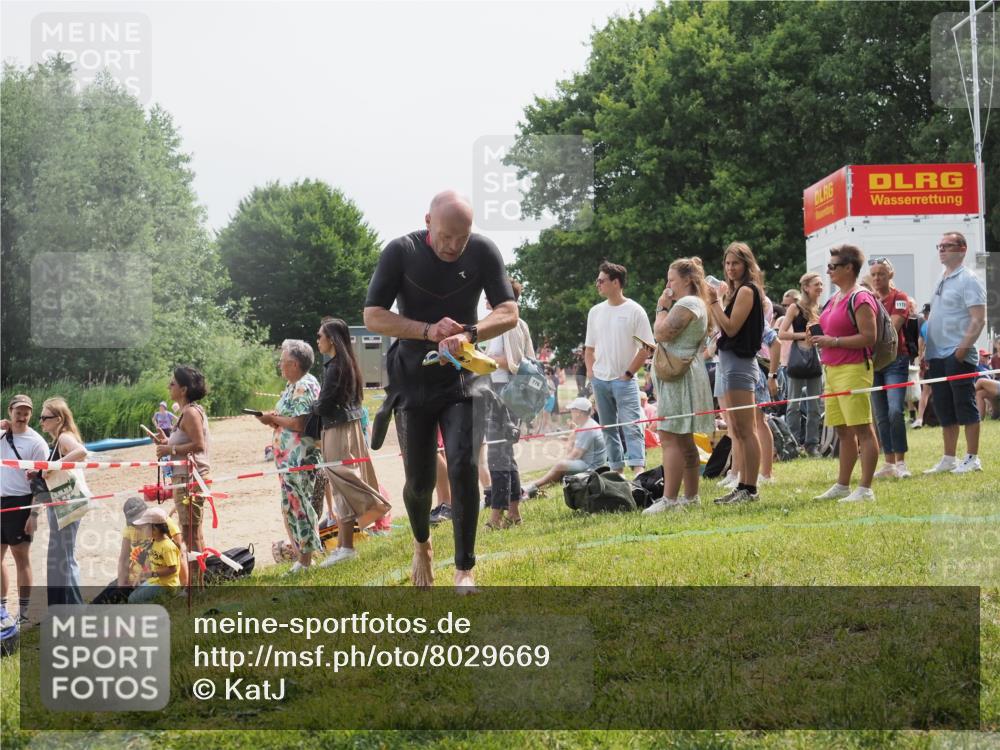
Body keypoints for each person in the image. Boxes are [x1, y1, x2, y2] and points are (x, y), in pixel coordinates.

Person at [363, 191, 518, 591]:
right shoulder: (400, 251)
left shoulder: (483, 251)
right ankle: (422, 544)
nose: (453, 247)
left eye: (461, 239)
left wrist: (468, 333)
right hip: (412, 376)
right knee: (419, 482)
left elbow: (508, 311)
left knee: (465, 464)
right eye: (446, 236)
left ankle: (465, 569)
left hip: (462, 374)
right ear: (428, 221)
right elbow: (373, 315)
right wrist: (428, 331)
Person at [312, 318, 391, 568]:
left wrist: (310, 407)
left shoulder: (335, 367)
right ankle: (346, 546)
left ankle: (375, 508)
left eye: (320, 336)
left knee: (342, 481)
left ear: (332, 339)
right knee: (340, 485)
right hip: (346, 426)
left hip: (338, 428)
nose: (317, 340)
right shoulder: (344, 364)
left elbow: (324, 404)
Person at [643, 258, 715, 513]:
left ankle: (670, 500)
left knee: (670, 436)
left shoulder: (688, 303)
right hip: (681, 375)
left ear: (687, 280)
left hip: (679, 378)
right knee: (683, 440)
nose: (668, 284)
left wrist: (661, 308)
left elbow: (661, 333)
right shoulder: (695, 303)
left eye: (672, 279)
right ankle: (691, 497)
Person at [810, 244, 880, 502]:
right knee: (841, 430)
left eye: (832, 267)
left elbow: (869, 337)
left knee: (862, 428)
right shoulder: (835, 297)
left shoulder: (860, 298)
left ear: (849, 268)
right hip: (832, 369)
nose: (828, 271)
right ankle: (842, 485)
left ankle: (865, 488)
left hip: (853, 369)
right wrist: (818, 335)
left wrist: (834, 341)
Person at [255, 340, 324, 574]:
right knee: (291, 506)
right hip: (288, 460)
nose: (279, 365)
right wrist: (273, 420)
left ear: (294, 363)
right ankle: (302, 558)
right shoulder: (292, 385)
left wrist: (272, 419)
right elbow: (288, 420)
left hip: (299, 459)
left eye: (282, 361)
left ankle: (306, 560)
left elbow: (299, 422)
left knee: (300, 505)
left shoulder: (304, 384)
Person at [922, 232, 988, 475]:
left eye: (947, 246)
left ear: (962, 249)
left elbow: (979, 319)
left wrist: (962, 349)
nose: (941, 250)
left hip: (956, 353)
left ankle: (972, 458)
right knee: (943, 407)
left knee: (964, 404)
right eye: (939, 246)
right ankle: (949, 458)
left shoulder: (968, 279)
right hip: (937, 354)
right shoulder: (943, 276)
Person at [707, 242, 765, 504]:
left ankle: (750, 488)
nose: (730, 268)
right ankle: (742, 484)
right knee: (738, 431)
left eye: (736, 263)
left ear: (746, 264)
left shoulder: (746, 291)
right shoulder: (735, 292)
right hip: (730, 363)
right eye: (727, 263)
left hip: (741, 364)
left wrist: (714, 302)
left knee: (746, 429)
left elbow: (730, 328)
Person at [584, 261, 655, 474]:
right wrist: (591, 374)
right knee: (608, 429)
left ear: (616, 283)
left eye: (601, 280)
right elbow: (589, 348)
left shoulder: (635, 310)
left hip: (625, 380)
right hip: (600, 380)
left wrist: (627, 374)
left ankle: (638, 472)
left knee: (631, 425)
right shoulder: (595, 312)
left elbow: (647, 347)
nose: (597, 284)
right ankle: (616, 471)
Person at [483, 280, 534, 529]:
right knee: (505, 455)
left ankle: (496, 515)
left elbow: (512, 363)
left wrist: (480, 359)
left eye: (488, 296)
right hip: (502, 393)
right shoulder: (508, 324)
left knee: (497, 455)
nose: (484, 301)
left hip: (507, 394)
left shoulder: (509, 325)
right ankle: (514, 512)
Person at [153, 366, 210, 587]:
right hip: (187, 477)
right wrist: (166, 442)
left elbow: (198, 445)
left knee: (190, 533)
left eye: (173, 383)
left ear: (184, 389)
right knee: (193, 530)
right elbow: (189, 442)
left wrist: (170, 450)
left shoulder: (190, 412)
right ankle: (198, 584)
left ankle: (196, 587)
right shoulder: (188, 411)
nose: (169, 386)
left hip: (190, 478)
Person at [1, 395, 49, 625]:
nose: (22, 416)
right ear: (9, 411)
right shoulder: (1, 434)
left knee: (21, 557)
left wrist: (34, 513)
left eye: (26, 412)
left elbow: (42, 482)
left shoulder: (36, 442)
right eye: (18, 411)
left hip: (21, 503)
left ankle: (24, 614)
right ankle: (2, 610)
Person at [36, 398, 87, 605]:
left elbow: (81, 452)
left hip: (67, 502)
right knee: (63, 556)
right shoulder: (58, 440)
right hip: (63, 501)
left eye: (45, 417)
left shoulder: (65, 436)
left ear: (58, 418)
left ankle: (72, 608)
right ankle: (71, 606)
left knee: (63, 557)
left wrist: (52, 466)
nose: (41, 422)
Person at [867, 258, 913, 479]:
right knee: (880, 414)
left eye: (881, 274)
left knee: (895, 410)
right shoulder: (867, 299)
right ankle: (888, 462)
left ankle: (901, 462)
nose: (877, 278)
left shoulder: (900, 298)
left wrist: (866, 335)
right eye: (874, 274)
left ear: (890, 275)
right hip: (873, 362)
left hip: (896, 360)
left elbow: (892, 328)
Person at [779, 273, 825, 456]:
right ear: (806, 287)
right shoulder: (794, 308)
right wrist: (802, 335)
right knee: (793, 405)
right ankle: (792, 444)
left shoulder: (820, 309)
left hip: (815, 358)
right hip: (798, 358)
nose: (820, 287)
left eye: (821, 284)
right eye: (817, 284)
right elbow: (781, 334)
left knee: (815, 405)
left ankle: (812, 444)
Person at [522, 398, 608, 495]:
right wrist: (569, 438)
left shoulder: (587, 428)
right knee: (560, 467)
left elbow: (576, 455)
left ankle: (532, 486)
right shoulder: (586, 424)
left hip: (591, 468)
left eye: (572, 410)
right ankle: (545, 483)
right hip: (592, 463)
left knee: (561, 465)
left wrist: (563, 460)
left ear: (578, 412)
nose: (570, 412)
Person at [113, 496, 188, 601]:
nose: (139, 526)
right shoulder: (147, 537)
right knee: (108, 597)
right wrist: (122, 586)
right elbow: (124, 558)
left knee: (133, 599)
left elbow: (180, 556)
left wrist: (185, 587)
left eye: (142, 521)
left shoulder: (162, 527)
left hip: (160, 580)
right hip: (142, 577)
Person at [127, 506, 181, 604]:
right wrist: (140, 576)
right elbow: (151, 561)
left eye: (145, 527)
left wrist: (153, 573)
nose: (142, 530)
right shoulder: (155, 541)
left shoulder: (167, 546)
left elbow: (173, 569)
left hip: (167, 585)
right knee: (132, 595)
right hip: (156, 581)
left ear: (155, 528)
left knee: (133, 599)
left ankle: (162, 605)